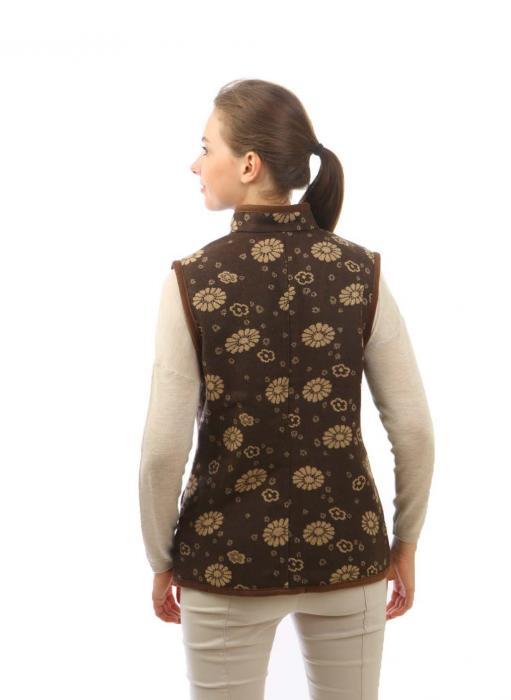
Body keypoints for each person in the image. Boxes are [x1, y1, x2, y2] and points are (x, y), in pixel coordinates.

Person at [138, 78, 435, 699]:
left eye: (206, 148)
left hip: (224, 559)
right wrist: (404, 542)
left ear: (248, 165)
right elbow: (413, 429)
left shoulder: (192, 281)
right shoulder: (361, 272)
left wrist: (160, 560)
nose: (195, 163)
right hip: (349, 553)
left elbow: (163, 451)